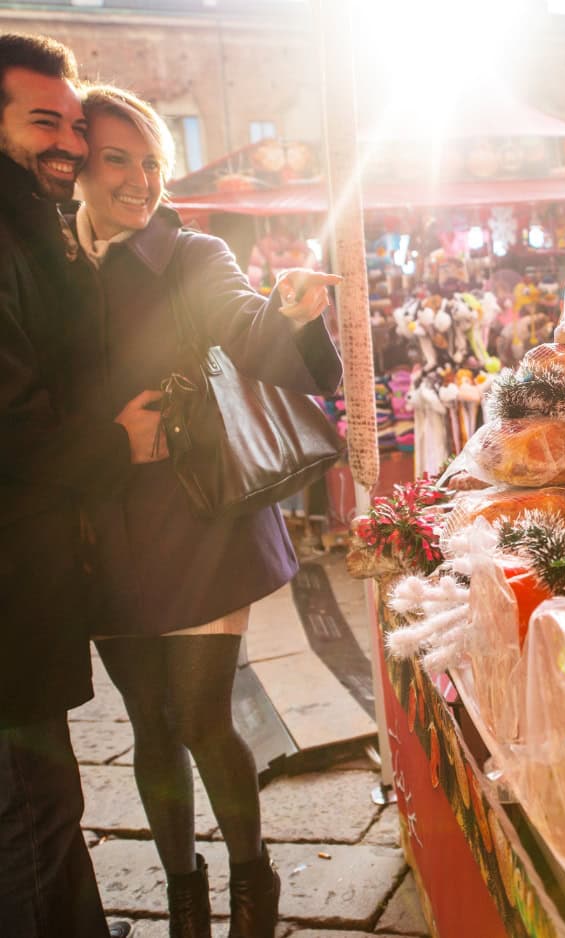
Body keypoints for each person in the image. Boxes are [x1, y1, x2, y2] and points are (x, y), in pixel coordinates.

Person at [70, 83, 342, 938]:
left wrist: (292, 314)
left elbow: (252, 334)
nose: (138, 180)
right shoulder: (48, 263)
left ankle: (251, 885)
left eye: (151, 161)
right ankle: (182, 897)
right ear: (77, 162)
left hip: (199, 517)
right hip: (101, 523)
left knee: (198, 717)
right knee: (149, 725)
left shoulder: (191, 255)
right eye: (116, 158)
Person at [0, 34, 145, 938]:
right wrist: (115, 440)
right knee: (29, 802)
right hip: (9, 581)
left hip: (27, 569)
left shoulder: (31, 229)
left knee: (39, 793)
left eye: (73, 124)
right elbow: (13, 424)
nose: (69, 143)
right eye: (41, 120)